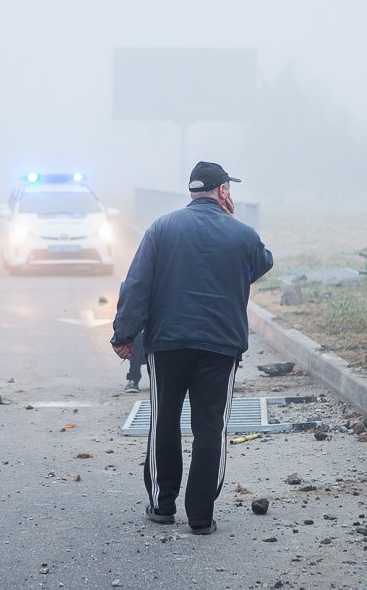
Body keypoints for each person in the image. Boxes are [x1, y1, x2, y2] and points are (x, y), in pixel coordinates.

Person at [110, 161, 274, 535]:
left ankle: (162, 505)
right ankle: (200, 516)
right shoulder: (243, 235)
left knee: (163, 421)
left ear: (192, 191)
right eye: (227, 189)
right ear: (222, 192)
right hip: (220, 346)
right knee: (210, 427)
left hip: (167, 344)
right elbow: (261, 263)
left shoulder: (161, 229)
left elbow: (137, 284)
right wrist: (233, 225)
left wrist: (124, 335)